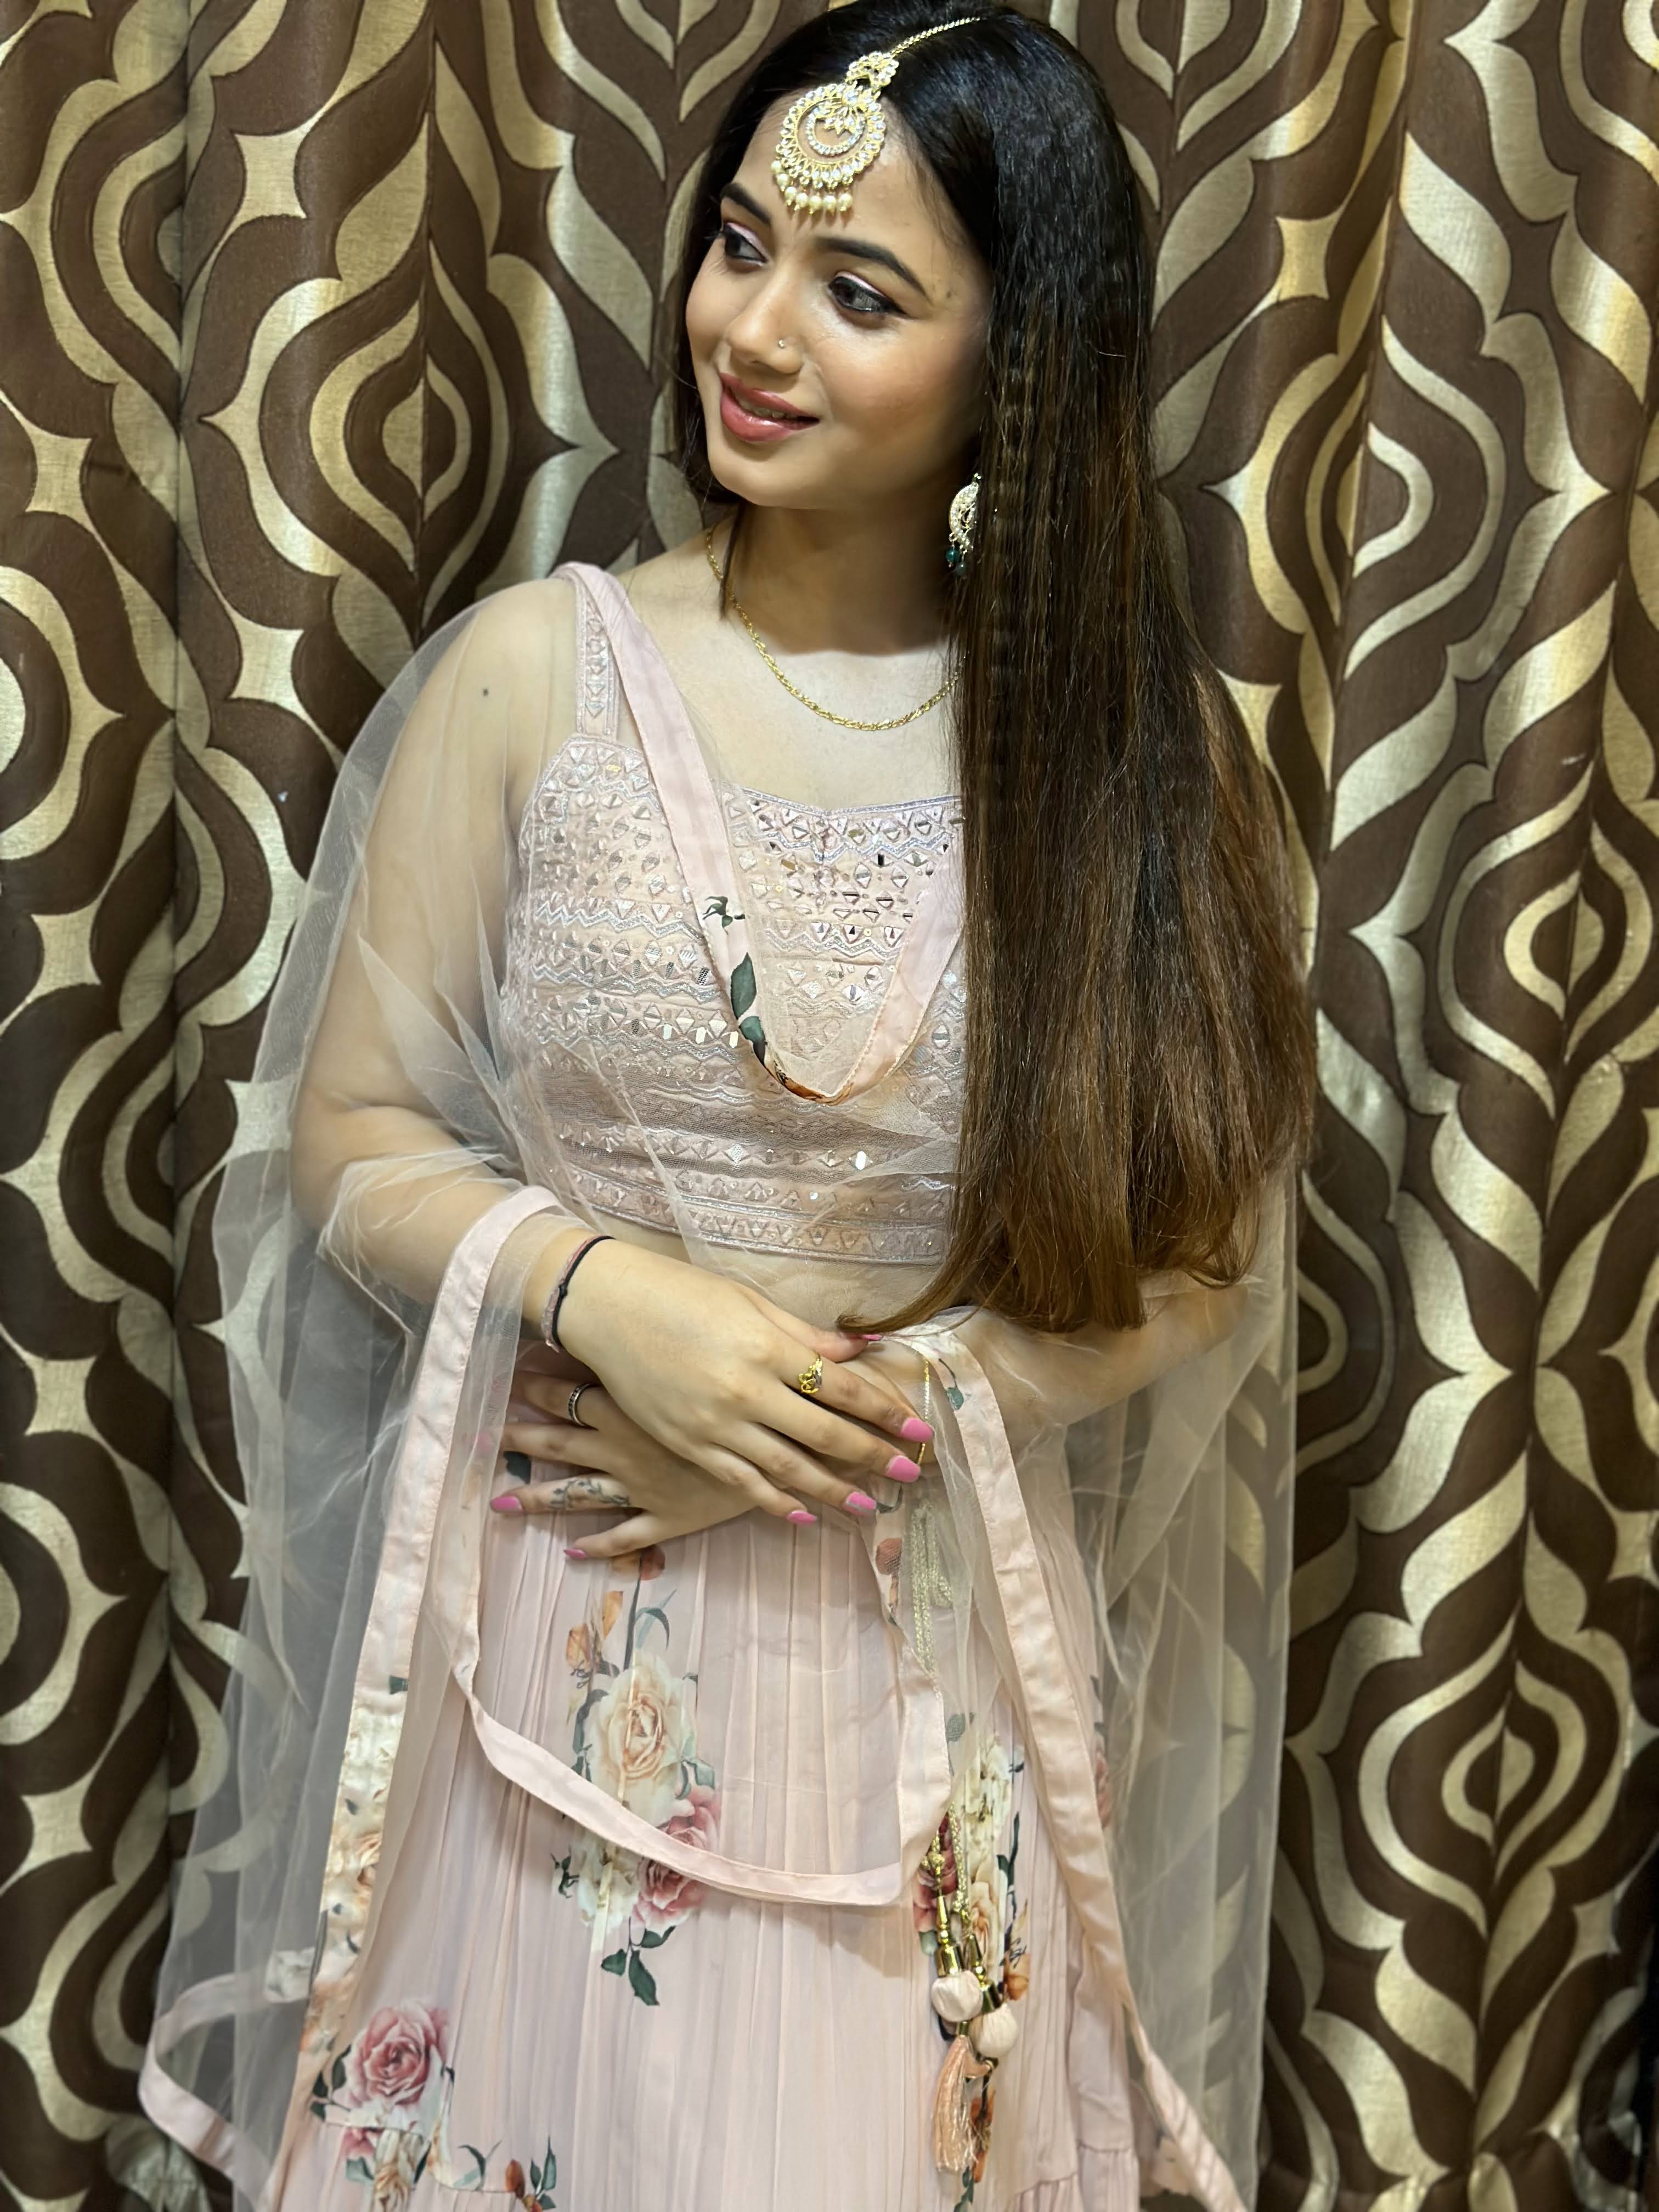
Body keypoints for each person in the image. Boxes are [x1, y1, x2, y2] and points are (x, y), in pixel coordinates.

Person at [140, 5, 1315, 2208]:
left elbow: (1198, 1252)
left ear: (1018, 372)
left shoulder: (1128, 766)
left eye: (861, 293)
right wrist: (619, 1303)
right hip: (554, 1649)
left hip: (921, 1676)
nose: (754, 330)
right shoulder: (534, 677)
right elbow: (357, 1133)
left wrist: (827, 1428)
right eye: (743, 245)